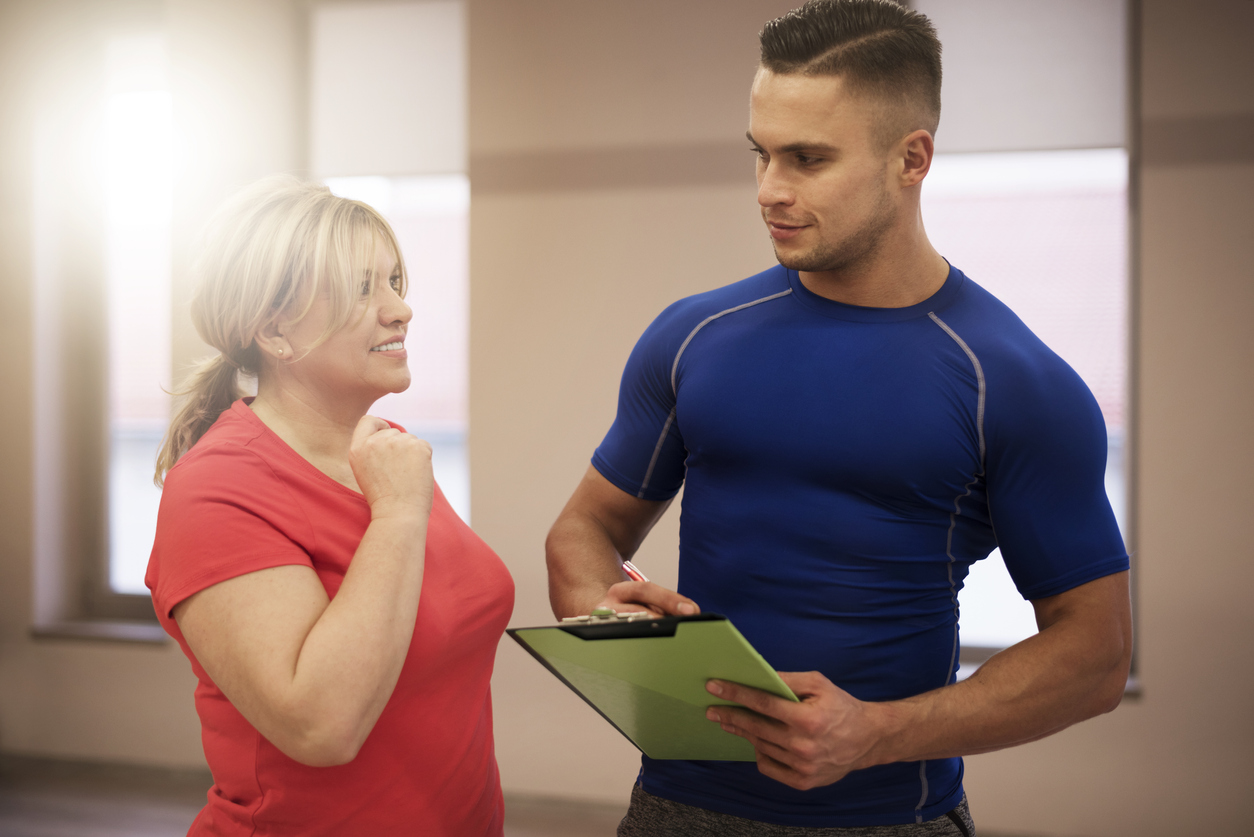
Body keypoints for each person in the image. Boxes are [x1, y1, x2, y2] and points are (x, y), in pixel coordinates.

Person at [545, 1, 1132, 834]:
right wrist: (610, 617)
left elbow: (1096, 655)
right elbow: (581, 531)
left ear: (912, 158)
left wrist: (877, 733)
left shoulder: (1011, 380)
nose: (770, 190)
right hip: (674, 807)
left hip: (890, 816)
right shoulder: (691, 338)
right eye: (762, 154)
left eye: (808, 159)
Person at [146, 175, 514, 836]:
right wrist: (398, 514)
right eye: (361, 289)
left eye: (395, 281)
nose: (400, 309)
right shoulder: (216, 487)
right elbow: (321, 724)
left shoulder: (387, 453)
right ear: (276, 332)